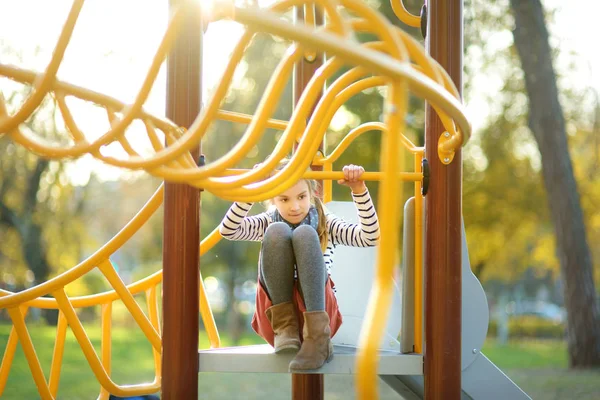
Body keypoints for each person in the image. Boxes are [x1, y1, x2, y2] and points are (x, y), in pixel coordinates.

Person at [218, 163, 380, 372]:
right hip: (276, 324)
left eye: (301, 197)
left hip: (319, 315)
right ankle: (286, 328)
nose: (294, 206)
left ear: (313, 193)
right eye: (284, 199)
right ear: (272, 199)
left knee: (304, 234)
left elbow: (370, 237)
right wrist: (252, 190)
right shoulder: (268, 221)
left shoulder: (325, 222)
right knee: (277, 231)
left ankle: (317, 339)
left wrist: (359, 191)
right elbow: (229, 230)